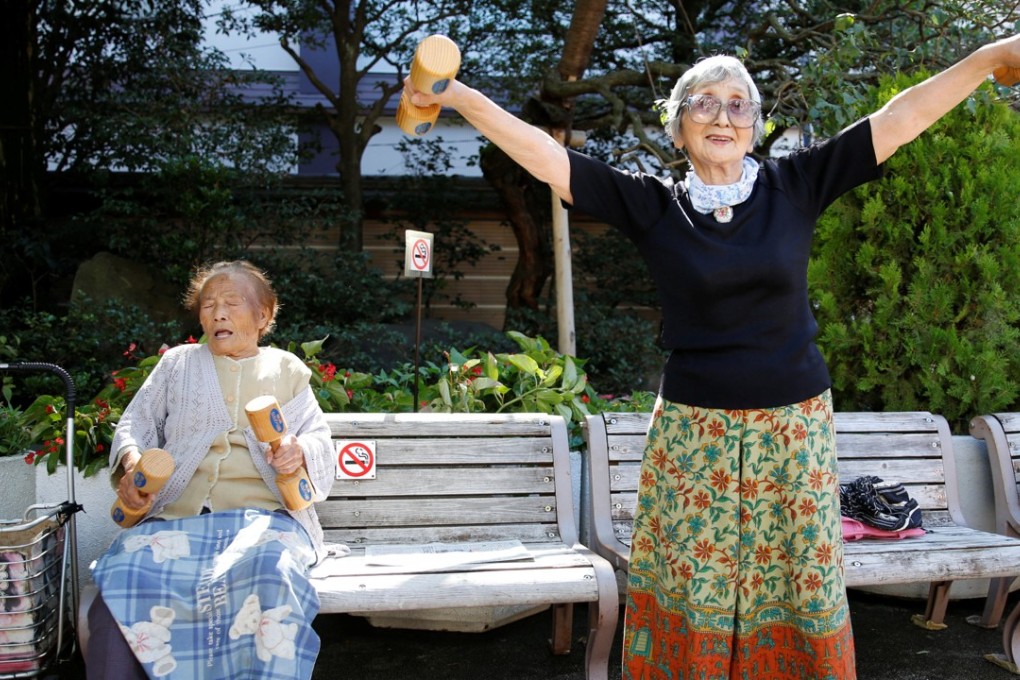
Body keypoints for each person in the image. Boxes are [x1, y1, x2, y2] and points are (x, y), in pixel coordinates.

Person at [404, 34, 1020, 679]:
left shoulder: (797, 185)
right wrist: (456, 94)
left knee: (796, 574)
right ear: (677, 130)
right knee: (690, 578)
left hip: (795, 425)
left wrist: (984, 61)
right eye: (702, 105)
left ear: (756, 126)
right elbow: (543, 155)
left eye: (737, 105)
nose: (721, 118)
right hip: (694, 432)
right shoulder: (653, 205)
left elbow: (900, 118)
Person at [86, 260, 341, 680]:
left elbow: (317, 439)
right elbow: (136, 425)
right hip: (176, 521)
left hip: (264, 523)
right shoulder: (178, 365)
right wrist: (134, 465)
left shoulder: (286, 370)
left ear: (263, 315)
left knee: (270, 572)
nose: (217, 313)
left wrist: (297, 451)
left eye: (231, 302)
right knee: (121, 577)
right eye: (209, 305)